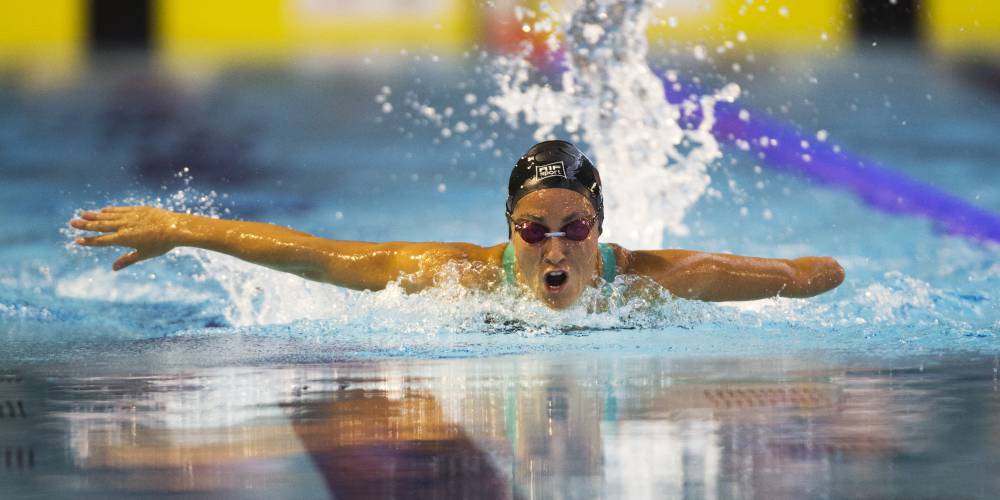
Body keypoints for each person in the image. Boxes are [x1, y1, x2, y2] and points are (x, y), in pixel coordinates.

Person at [70, 140, 844, 309]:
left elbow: (811, 275)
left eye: (572, 227)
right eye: (531, 231)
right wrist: (179, 224)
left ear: (600, 228)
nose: (555, 247)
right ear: (509, 233)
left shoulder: (661, 281)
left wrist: (816, 277)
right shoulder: (464, 276)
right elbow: (321, 257)